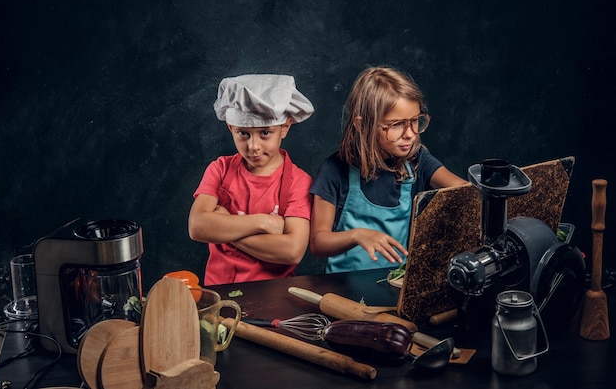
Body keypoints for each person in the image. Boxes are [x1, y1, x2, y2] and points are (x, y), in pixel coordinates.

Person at [309, 66, 466, 273]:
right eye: (397, 124)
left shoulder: (418, 161)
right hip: (341, 290)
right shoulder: (334, 170)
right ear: (362, 125)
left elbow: (465, 192)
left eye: (415, 121)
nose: (410, 134)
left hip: (395, 288)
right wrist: (357, 235)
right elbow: (318, 244)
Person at [188, 74, 315, 285]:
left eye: (265, 133)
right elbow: (197, 226)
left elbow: (292, 251)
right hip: (218, 292)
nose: (253, 146)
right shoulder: (219, 169)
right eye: (243, 134)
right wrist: (264, 222)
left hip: (276, 293)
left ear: (285, 127)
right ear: (230, 127)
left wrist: (225, 225)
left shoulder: (298, 181)